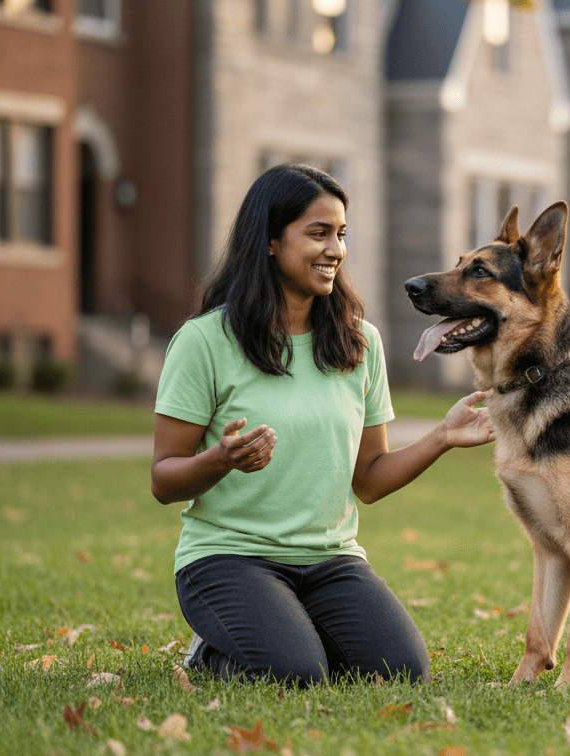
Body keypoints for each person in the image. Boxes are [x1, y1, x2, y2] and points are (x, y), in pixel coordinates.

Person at [151, 164, 493, 686]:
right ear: (269, 241)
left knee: (403, 673)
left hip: (330, 562)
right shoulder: (204, 343)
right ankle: (211, 653)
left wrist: (442, 437)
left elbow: (370, 480)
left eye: (341, 234)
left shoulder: (360, 343)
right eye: (318, 233)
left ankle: (290, 629)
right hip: (228, 559)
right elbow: (163, 480)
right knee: (296, 674)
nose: (336, 249)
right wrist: (219, 461)